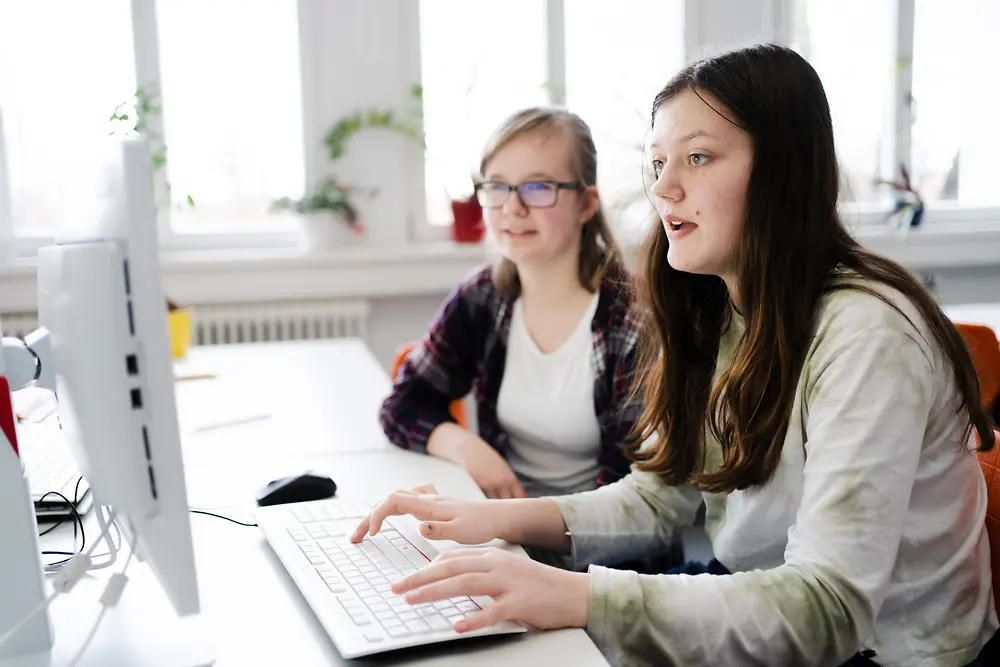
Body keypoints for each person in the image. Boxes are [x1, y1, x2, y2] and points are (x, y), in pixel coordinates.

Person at [353, 44, 999, 666]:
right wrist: (480, 518)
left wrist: (574, 595)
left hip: (881, 652)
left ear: (780, 172)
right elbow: (656, 499)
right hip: (750, 593)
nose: (665, 190)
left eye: (697, 157)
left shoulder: (867, 335)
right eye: (658, 163)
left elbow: (826, 607)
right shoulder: (714, 304)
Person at [380, 107, 641, 500]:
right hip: (503, 532)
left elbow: (637, 501)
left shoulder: (634, 317)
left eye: (538, 187)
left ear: (586, 204)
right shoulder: (482, 297)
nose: (512, 208)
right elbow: (403, 404)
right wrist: (467, 449)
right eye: (497, 186)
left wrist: (523, 534)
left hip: (598, 552)